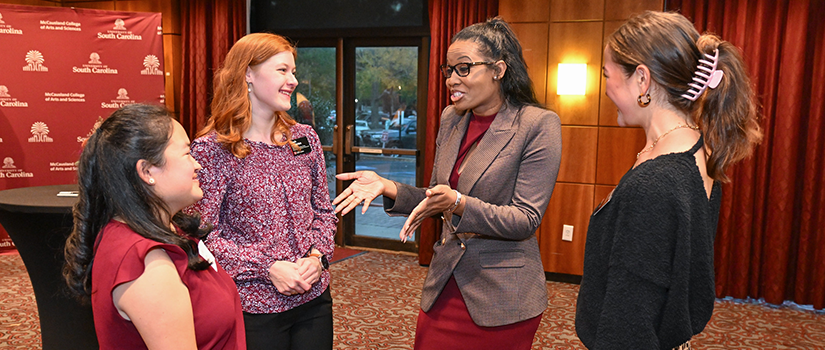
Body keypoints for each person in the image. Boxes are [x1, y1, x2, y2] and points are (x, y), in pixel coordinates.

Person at [333, 17, 562, 349]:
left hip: (502, 294)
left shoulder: (537, 124)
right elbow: (435, 194)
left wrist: (458, 203)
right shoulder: (451, 118)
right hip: (445, 284)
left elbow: (525, 219)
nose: (452, 80)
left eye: (464, 68)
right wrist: (388, 186)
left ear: (498, 69)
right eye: (449, 70)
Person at [575, 11, 762, 350]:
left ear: (642, 80)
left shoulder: (655, 184)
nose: (605, 87)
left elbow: (629, 325)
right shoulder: (695, 149)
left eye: (608, 74)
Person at [189, 32, 337, 350]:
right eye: (282, 70)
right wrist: (267, 267)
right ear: (247, 75)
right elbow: (200, 236)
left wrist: (318, 257)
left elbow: (323, 210)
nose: (293, 80)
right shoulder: (212, 149)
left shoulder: (304, 138)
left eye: (293, 71)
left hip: (314, 298)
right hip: (253, 306)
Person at [62, 103, 246, 349]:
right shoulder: (146, 264)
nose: (197, 165)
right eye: (187, 153)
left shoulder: (164, 229)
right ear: (147, 170)